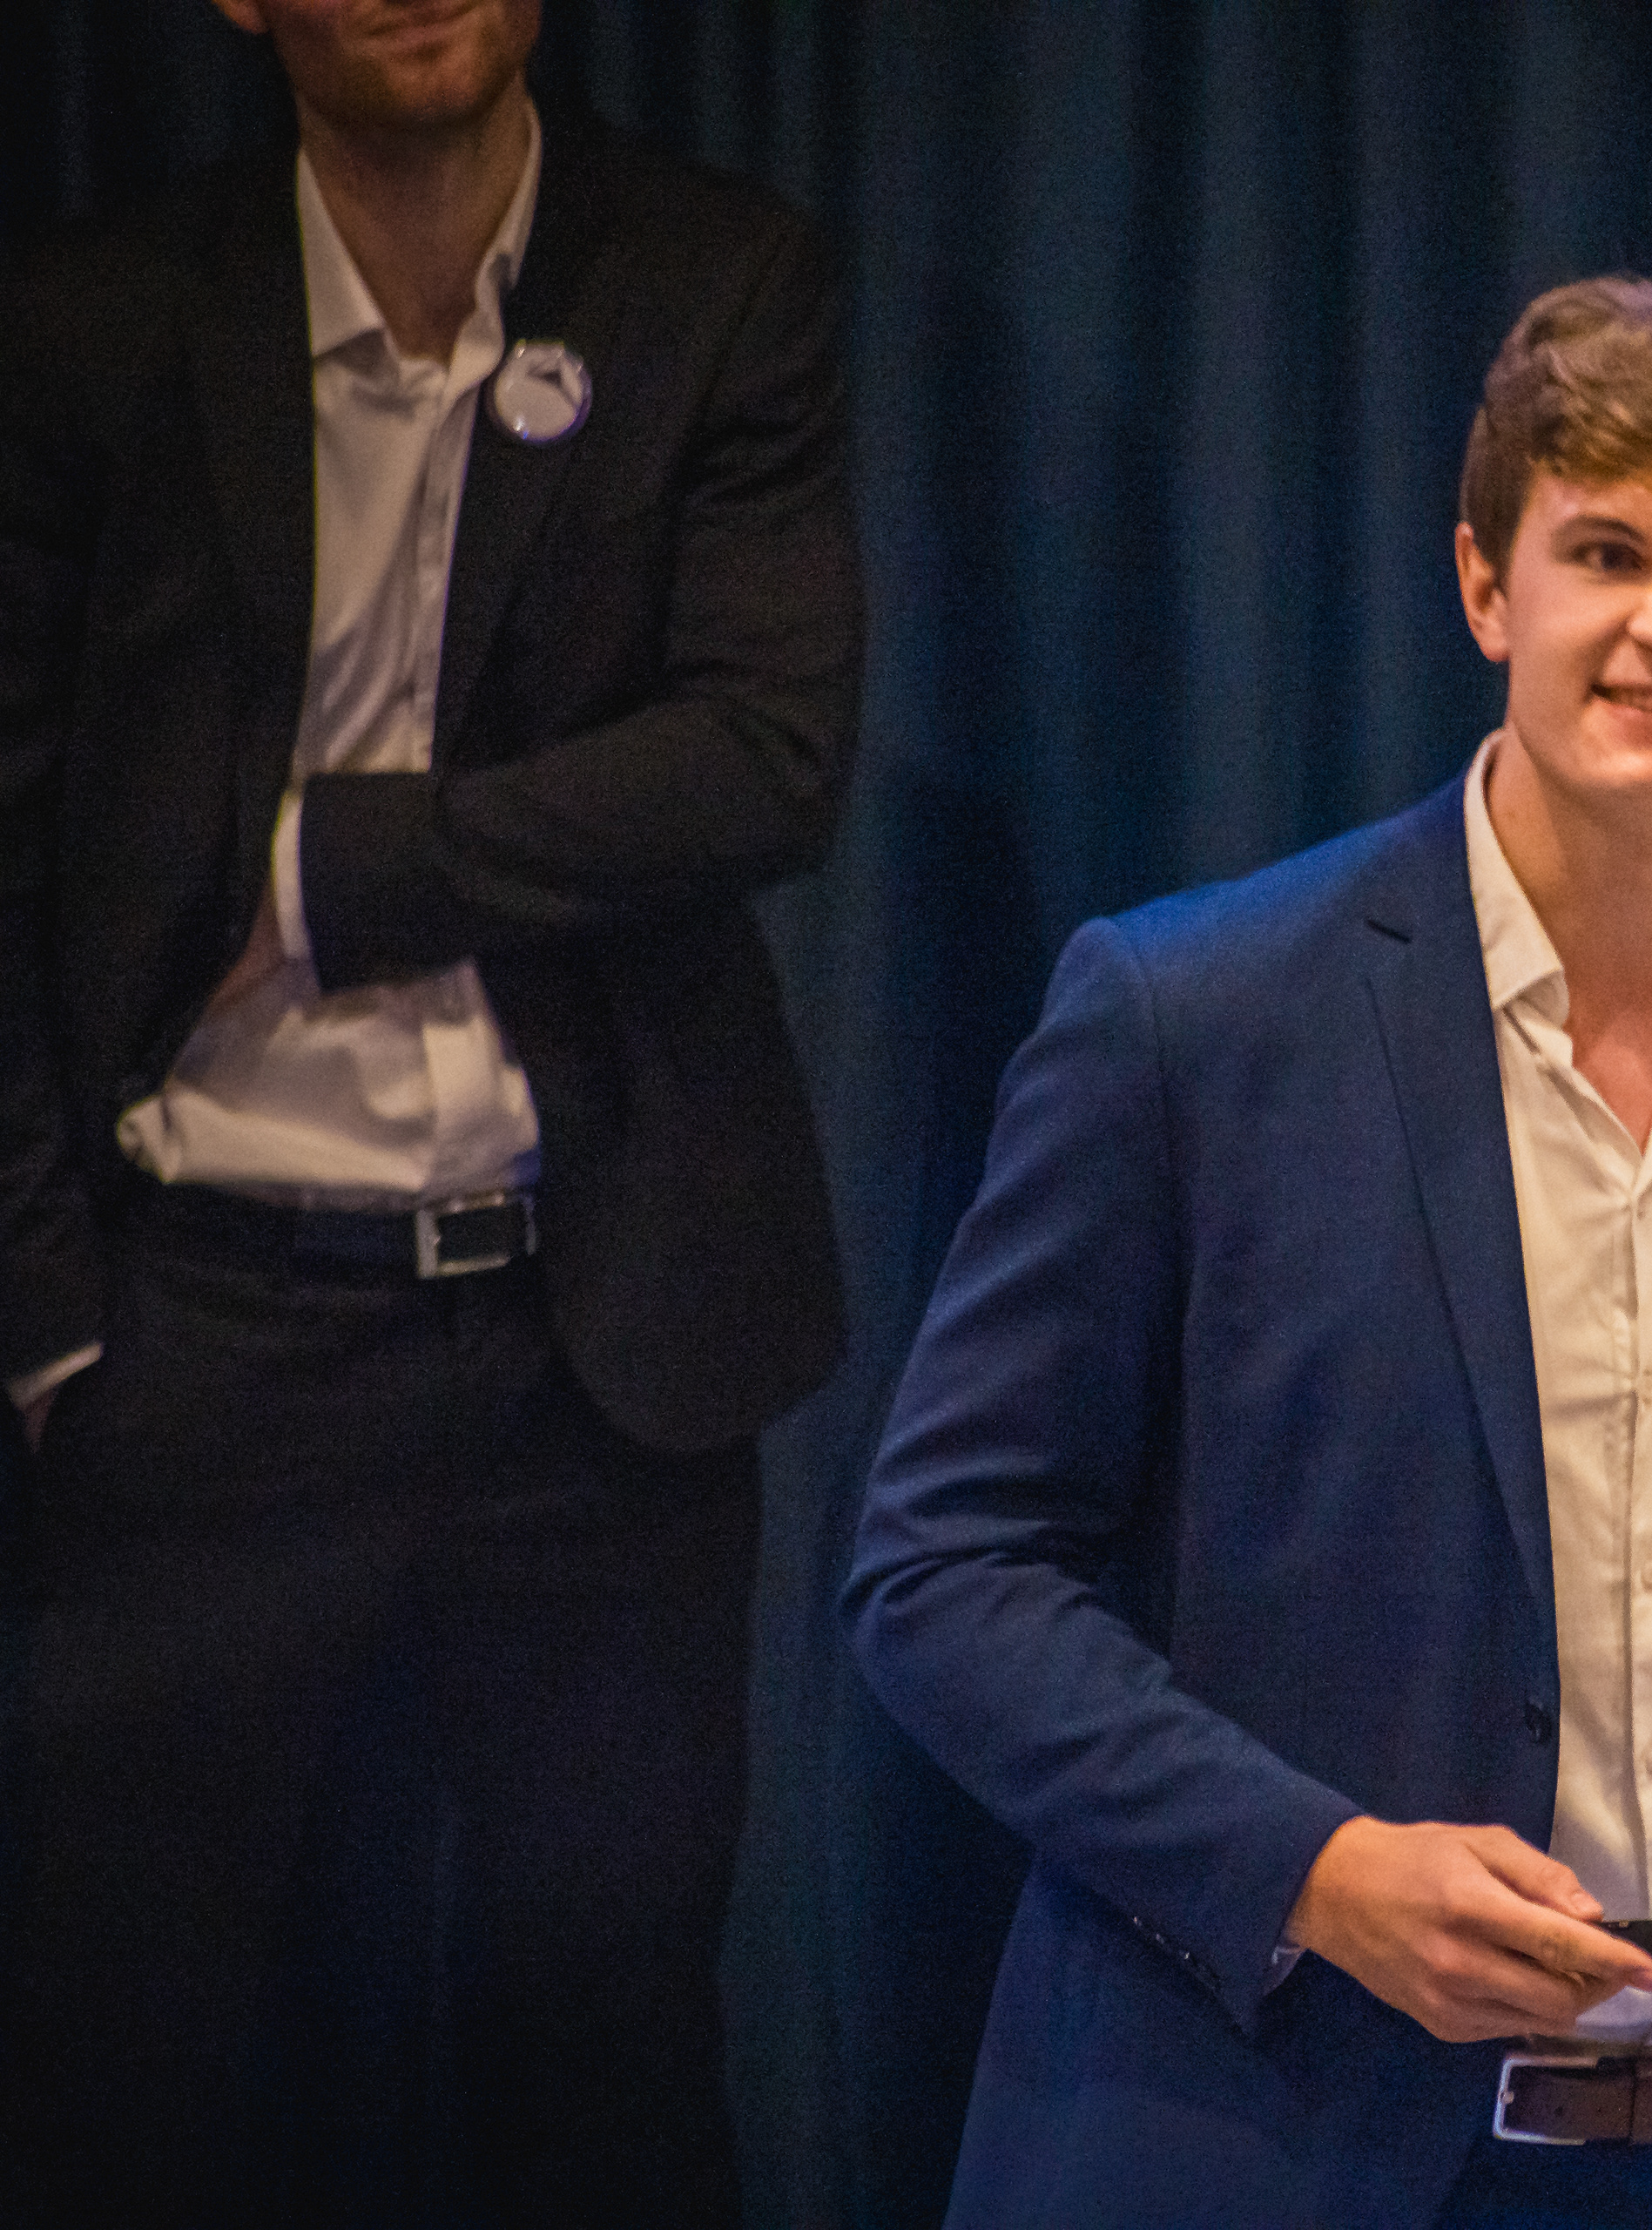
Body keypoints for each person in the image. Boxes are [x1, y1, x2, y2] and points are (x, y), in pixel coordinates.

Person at [848, 276, 1652, 2227]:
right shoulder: (1192, 1017)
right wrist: (1316, 1871)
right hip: (1284, 2148)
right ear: (1484, 585)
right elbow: (945, 1567)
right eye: (1607, 552)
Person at [0, 0, 858, 2217]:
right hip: (204, 1331)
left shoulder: (714, 282)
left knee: (613, 2066)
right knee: (120, 2064)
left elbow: (765, 755)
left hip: (600, 1336)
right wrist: (50, 1322)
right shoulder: (91, 324)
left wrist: (327, 869)